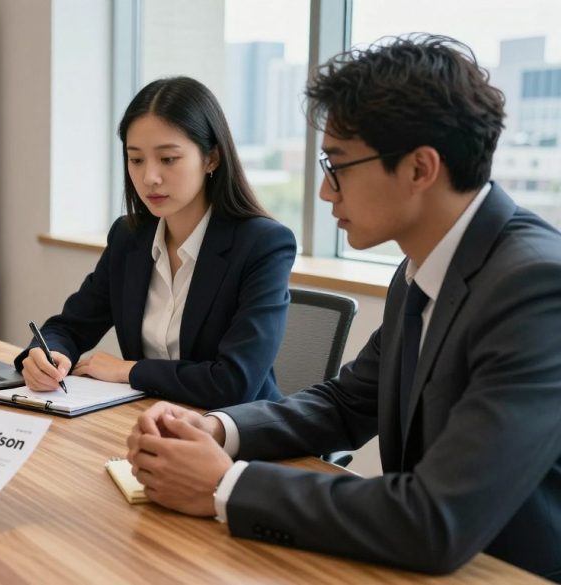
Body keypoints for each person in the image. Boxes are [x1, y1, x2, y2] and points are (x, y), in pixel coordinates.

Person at [125, 34, 561, 580]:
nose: (327, 193)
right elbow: (346, 404)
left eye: (338, 166)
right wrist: (215, 428)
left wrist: (223, 485)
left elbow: (436, 517)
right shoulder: (424, 268)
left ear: (420, 169)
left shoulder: (537, 287)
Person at [16, 77, 296, 410]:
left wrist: (129, 371)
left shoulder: (262, 244)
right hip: (147, 422)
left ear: (212, 158)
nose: (149, 177)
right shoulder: (129, 238)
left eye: (168, 159)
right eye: (136, 160)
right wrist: (47, 355)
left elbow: (234, 383)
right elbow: (70, 326)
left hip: (235, 436)